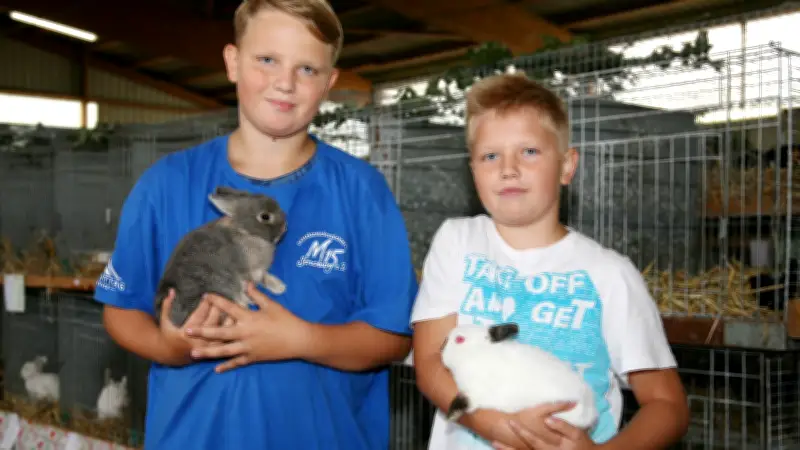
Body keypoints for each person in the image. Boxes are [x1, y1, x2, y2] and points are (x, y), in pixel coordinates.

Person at [94, 0, 418, 448]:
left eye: (307, 69)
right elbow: (120, 308)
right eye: (267, 60)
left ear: (330, 83)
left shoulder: (361, 191)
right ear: (232, 63)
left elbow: (394, 336)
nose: (285, 82)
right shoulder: (167, 183)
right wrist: (169, 347)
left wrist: (301, 340)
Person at [410, 73, 689, 450]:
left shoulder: (610, 275)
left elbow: (668, 404)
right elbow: (429, 361)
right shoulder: (457, 242)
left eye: (529, 151)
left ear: (566, 166)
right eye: (490, 156)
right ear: (473, 170)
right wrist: (497, 426)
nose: (508, 168)